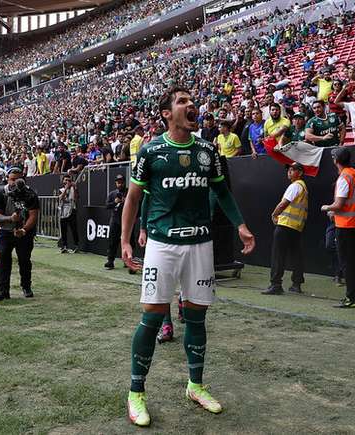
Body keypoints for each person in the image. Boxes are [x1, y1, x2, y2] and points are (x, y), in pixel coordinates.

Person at [120, 87, 255, 427]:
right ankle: (136, 392)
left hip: (200, 245)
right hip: (162, 245)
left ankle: (195, 385)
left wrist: (241, 225)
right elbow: (134, 198)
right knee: (152, 318)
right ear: (167, 113)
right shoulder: (150, 152)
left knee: (196, 318)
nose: (191, 105)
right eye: (182, 101)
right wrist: (125, 241)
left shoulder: (208, 151)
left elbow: (222, 192)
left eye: (192, 101)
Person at [321, 147, 355, 308]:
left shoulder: (344, 177)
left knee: (348, 263)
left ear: (335, 160)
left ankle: (351, 298)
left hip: (347, 227)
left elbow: (339, 204)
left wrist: (327, 208)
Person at [0, 168, 40, 300]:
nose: (15, 182)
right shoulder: (1, 194)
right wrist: (10, 219)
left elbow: (33, 215)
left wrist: (24, 230)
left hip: (24, 233)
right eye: (12, 179)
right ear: (7, 179)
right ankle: (3, 291)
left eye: (18, 179)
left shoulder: (30, 194)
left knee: (24, 260)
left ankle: (26, 287)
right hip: (5, 232)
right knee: (3, 261)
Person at [263, 162, 307, 295]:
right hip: (296, 227)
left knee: (278, 255)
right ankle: (296, 284)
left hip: (285, 225)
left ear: (300, 173)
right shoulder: (303, 187)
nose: (289, 172)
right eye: (289, 170)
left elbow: (284, 203)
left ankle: (275, 284)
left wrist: (274, 214)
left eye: (293, 170)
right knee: (296, 255)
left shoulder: (295, 186)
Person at [104, 174, 127, 270]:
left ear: (124, 182)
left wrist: (126, 201)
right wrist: (115, 202)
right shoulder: (112, 193)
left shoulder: (129, 192)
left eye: (121, 182)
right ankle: (110, 261)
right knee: (112, 241)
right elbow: (107, 206)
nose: (120, 184)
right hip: (115, 219)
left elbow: (136, 203)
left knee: (127, 240)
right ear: (115, 183)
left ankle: (127, 260)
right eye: (118, 182)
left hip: (126, 220)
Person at [58, 174, 79, 253]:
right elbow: (60, 198)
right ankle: (64, 246)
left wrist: (75, 188)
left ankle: (76, 246)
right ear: (63, 181)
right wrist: (66, 188)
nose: (67, 182)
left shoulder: (73, 188)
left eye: (69, 180)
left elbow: (77, 198)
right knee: (63, 230)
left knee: (74, 229)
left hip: (72, 210)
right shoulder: (61, 189)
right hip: (63, 212)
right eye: (66, 180)